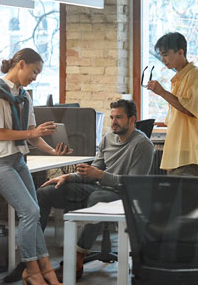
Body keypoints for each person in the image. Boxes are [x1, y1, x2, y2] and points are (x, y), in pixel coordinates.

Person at [35, 99, 154, 281]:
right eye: (112, 117)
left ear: (132, 120)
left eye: (119, 118)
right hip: (97, 187)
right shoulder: (108, 138)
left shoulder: (143, 145)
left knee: (98, 198)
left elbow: (134, 183)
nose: (113, 122)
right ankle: (35, 258)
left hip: (123, 194)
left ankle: (77, 259)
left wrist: (99, 175)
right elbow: (92, 172)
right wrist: (68, 177)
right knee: (44, 193)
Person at [0, 48, 71, 285]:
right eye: (34, 71)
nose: (35, 77)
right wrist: (33, 131)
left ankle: (45, 268)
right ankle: (31, 270)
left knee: (36, 211)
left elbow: (32, 136)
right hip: (0, 162)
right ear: (21, 64)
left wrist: (53, 150)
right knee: (29, 212)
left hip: (19, 160)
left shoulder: (23, 95)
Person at [146, 32, 198, 176]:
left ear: (180, 52)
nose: (163, 59)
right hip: (179, 153)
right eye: (161, 55)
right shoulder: (179, 78)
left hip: (191, 153)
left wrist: (162, 93)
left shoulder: (196, 75)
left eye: (165, 54)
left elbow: (191, 109)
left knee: (183, 197)